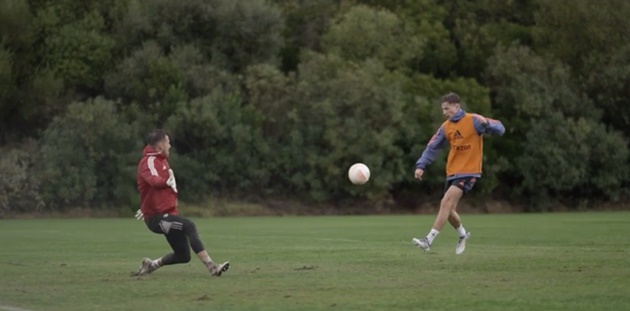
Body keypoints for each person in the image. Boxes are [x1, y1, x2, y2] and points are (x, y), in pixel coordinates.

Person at [412, 93, 505, 254]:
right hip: (452, 172)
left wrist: (488, 123)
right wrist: (421, 165)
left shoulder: (474, 120)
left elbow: (500, 129)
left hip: (470, 172)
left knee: (445, 202)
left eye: (446, 108)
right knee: (448, 211)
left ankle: (428, 240)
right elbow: (432, 147)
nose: (444, 112)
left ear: (456, 106)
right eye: (443, 109)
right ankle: (463, 234)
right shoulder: (446, 127)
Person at [132, 129, 230, 276]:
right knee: (189, 225)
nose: (170, 146)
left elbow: (154, 191)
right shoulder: (149, 161)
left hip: (167, 214)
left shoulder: (162, 161)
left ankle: (151, 265)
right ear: (160, 146)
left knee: (183, 255)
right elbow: (153, 180)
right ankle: (212, 267)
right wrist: (164, 183)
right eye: (168, 143)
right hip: (157, 218)